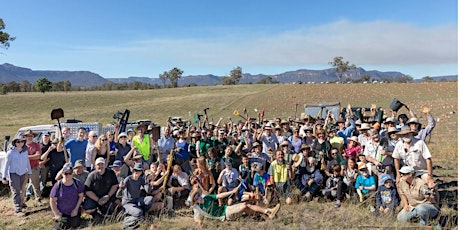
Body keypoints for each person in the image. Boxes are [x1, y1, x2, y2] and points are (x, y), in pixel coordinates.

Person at [187, 186, 281, 226]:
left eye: (198, 195)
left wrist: (231, 192)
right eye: (195, 197)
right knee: (245, 205)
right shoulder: (197, 207)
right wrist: (199, 222)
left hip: (226, 209)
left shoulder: (207, 197)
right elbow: (196, 218)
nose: (198, 197)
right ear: (194, 201)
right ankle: (267, 212)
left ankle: (266, 213)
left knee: (246, 205)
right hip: (224, 216)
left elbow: (219, 196)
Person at [2, 136, 31, 216]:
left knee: (21, 190)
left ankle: (21, 204)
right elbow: (6, 165)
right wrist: (4, 177)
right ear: (14, 143)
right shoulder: (10, 152)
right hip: (14, 174)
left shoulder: (25, 151)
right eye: (18, 142)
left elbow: (27, 162)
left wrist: (30, 172)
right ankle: (18, 210)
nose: (20, 143)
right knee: (16, 191)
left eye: (22, 141)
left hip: (23, 173)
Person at [49, 165, 84, 229]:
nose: (68, 175)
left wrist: (76, 209)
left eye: (70, 173)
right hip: (60, 212)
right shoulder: (57, 186)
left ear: (72, 174)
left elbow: (81, 196)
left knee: (75, 224)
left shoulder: (77, 183)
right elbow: (52, 201)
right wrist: (56, 214)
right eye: (66, 173)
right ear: (62, 174)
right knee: (61, 226)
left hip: (73, 211)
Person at [22, 129, 43, 205]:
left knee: (36, 184)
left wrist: (26, 157)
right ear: (25, 137)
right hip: (24, 168)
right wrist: (31, 157)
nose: (30, 137)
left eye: (31, 136)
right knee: (22, 185)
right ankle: (22, 202)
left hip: (34, 167)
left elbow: (38, 156)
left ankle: (38, 200)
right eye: (28, 136)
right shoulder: (22, 145)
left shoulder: (36, 145)